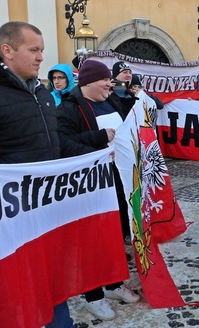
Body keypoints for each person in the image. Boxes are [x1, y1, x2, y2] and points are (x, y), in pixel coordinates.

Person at [0, 21, 73, 327]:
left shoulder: (42, 92)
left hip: (46, 212)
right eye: (33, 50)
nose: (40, 58)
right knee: (17, 296)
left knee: (52, 287)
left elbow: (54, 145)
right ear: (7, 50)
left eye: (42, 51)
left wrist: (94, 155)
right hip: (8, 221)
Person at [57, 59, 140, 321]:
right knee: (91, 243)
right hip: (87, 188)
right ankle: (93, 297)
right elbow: (60, 143)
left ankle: (114, 284)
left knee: (114, 236)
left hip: (116, 183)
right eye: (106, 80)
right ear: (89, 82)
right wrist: (99, 140)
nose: (110, 83)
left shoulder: (111, 101)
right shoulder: (68, 109)